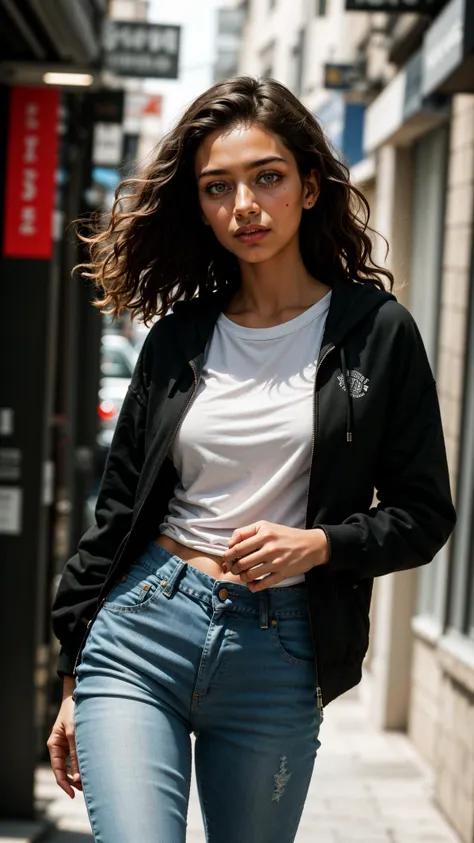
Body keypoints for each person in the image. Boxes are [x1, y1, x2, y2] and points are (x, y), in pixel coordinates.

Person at [48, 76, 456, 843]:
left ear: (308, 186)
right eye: (217, 187)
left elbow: (424, 513)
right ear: (199, 206)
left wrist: (323, 543)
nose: (244, 204)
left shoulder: (377, 333)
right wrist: (75, 667)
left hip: (282, 646)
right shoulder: (180, 337)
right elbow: (118, 510)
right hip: (141, 630)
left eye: (266, 177)